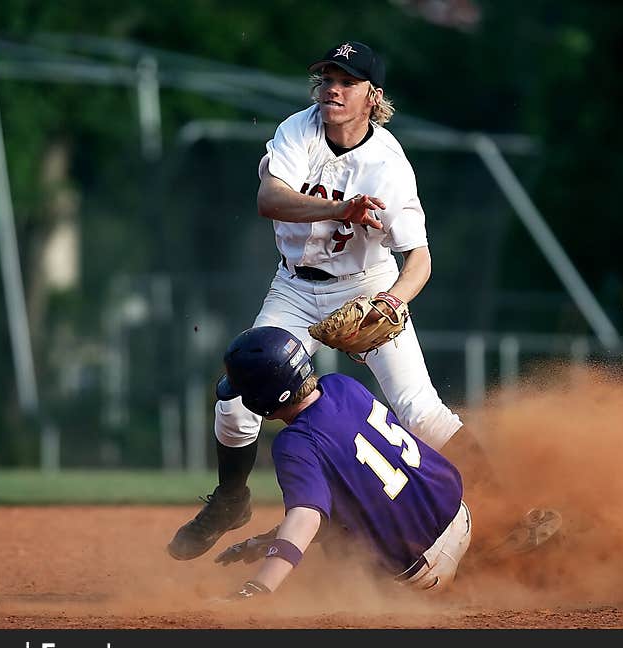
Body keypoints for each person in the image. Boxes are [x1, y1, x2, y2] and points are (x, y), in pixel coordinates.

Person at [168, 39, 491, 561]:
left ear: (373, 96)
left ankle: (505, 503)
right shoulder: (299, 129)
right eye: (326, 79)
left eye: (347, 82)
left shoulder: (389, 164)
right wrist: (341, 210)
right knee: (234, 400)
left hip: (366, 285)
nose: (332, 89)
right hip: (293, 289)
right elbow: (268, 199)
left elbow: (420, 261)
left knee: (419, 412)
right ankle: (230, 499)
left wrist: (391, 303)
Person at [209, 327, 559, 597]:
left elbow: (306, 518)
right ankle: (485, 545)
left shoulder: (293, 443)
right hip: (461, 512)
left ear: (261, 401)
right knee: (352, 502)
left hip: (424, 568)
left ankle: (472, 571)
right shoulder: (343, 385)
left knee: (339, 544)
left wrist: (258, 587)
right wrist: (262, 543)